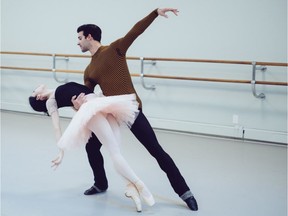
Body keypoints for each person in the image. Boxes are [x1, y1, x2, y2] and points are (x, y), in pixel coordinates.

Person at [73, 8, 198, 211]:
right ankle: (101, 183)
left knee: (156, 150)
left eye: (79, 38)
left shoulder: (115, 49)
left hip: (130, 109)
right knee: (91, 146)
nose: (77, 42)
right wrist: (75, 104)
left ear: (89, 37)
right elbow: (86, 96)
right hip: (110, 112)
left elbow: (135, 31)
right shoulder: (89, 70)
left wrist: (155, 13)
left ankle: (185, 192)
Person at [28, 82, 155, 212]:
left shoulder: (55, 91)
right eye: (34, 91)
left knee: (117, 151)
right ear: (38, 97)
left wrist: (75, 106)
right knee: (114, 152)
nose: (36, 88)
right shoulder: (50, 102)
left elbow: (72, 98)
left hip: (101, 104)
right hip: (90, 111)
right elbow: (56, 128)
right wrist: (61, 151)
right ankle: (140, 185)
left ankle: (130, 187)